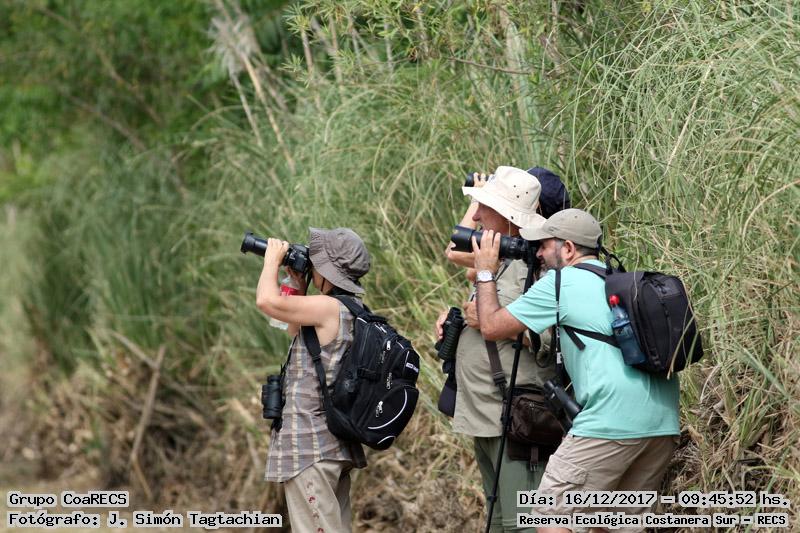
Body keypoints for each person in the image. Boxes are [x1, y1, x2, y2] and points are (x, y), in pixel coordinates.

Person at [472, 209, 680, 533]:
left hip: (609, 422)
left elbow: (491, 326)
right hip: (663, 424)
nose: (538, 254)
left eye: (544, 246)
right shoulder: (618, 279)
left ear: (568, 249)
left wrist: (485, 271)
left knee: (550, 517)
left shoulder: (561, 283)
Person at [435, 165, 561, 532]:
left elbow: (550, 340)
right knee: (498, 525)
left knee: (524, 525)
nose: (474, 216)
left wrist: (495, 322)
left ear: (507, 217)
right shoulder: (499, 264)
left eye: (483, 208)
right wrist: (459, 323)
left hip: (518, 418)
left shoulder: (536, 269)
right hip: (487, 416)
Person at [256, 227, 371, 533]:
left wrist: (272, 259)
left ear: (329, 271)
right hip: (332, 447)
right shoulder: (351, 309)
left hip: (311, 448)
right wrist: (297, 284)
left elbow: (266, 301)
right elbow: (292, 329)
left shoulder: (328, 307)